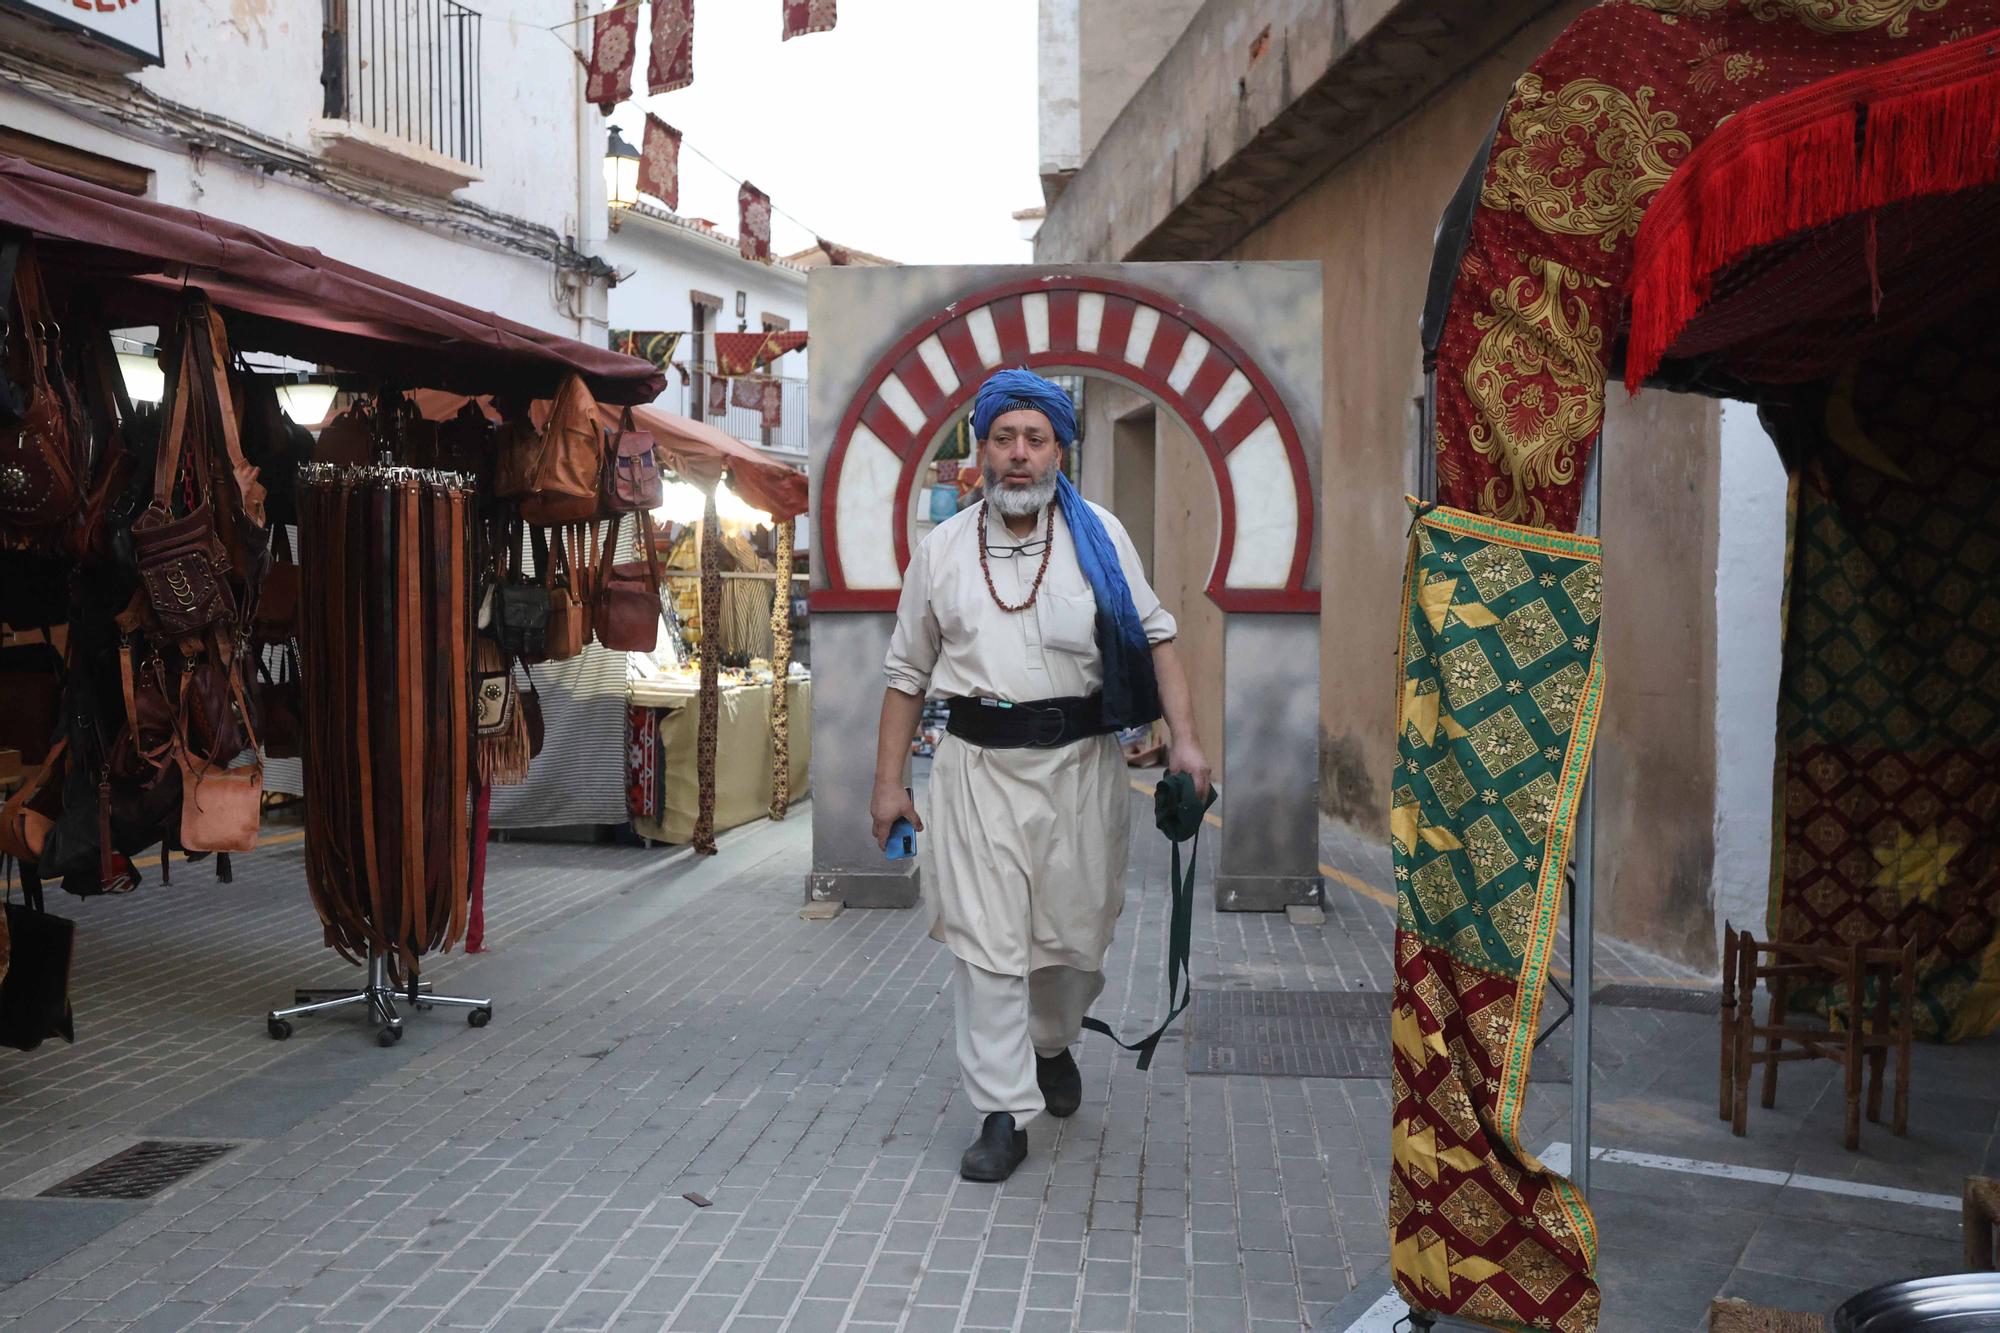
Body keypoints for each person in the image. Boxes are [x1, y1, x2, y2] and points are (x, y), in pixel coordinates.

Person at [871, 367, 1212, 1183]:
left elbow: (1158, 638)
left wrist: (1188, 743)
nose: (1018, 455)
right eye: (1003, 438)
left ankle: (1053, 1038)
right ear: (980, 449)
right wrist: (889, 785)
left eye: (1035, 439)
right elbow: (905, 676)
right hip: (976, 773)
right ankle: (1002, 1108)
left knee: (1073, 945)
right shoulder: (943, 551)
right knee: (988, 949)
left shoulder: (1100, 534)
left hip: (1082, 773)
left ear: (1059, 448)